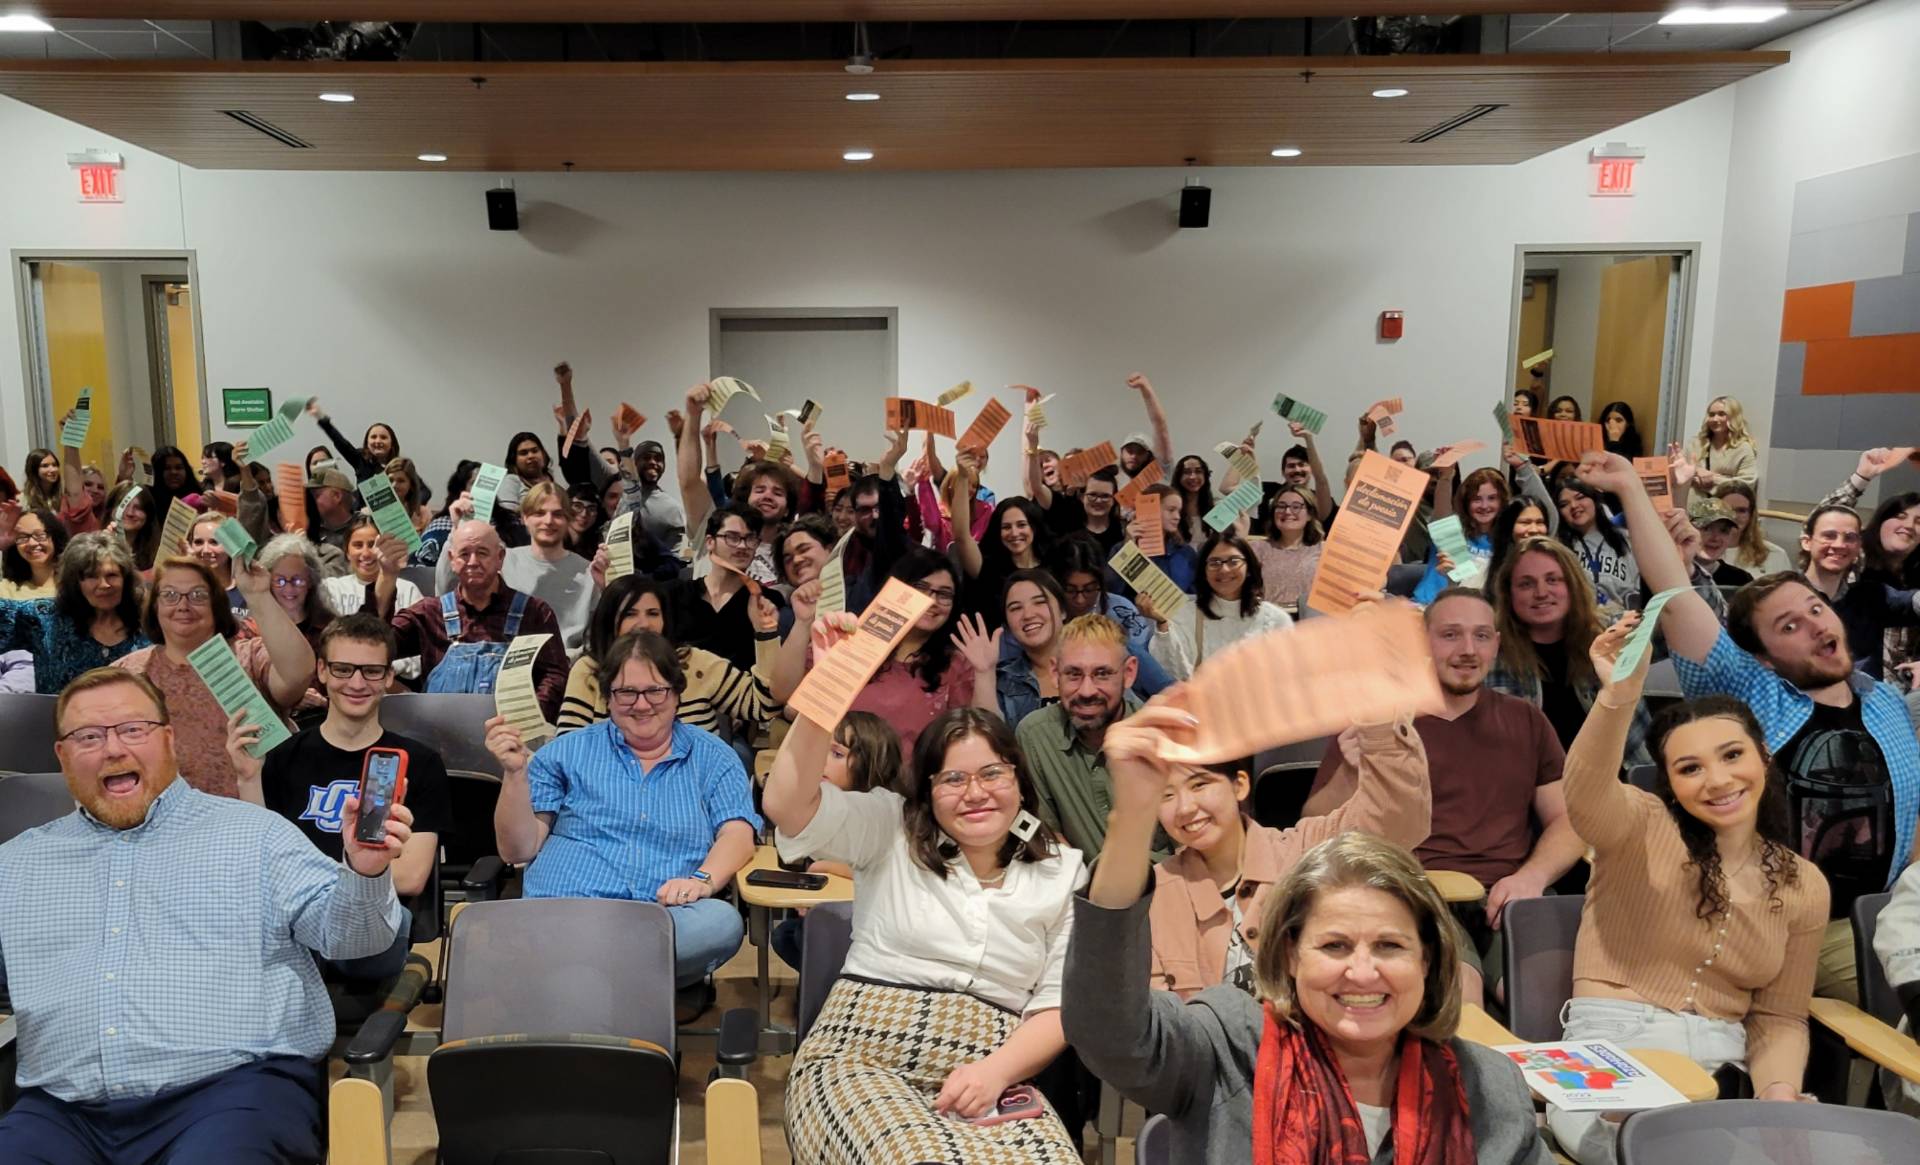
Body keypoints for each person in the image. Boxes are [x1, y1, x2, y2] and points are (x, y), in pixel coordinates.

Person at [0, 668, 407, 1163]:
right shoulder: (18, 863)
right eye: (88, 736)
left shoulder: (255, 836)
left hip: (230, 1095)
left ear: (168, 739)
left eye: (133, 730)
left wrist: (363, 872)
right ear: (63, 756)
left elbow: (354, 939)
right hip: (62, 1110)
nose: (112, 750)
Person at [1580, 449, 1920, 1006]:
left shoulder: (1885, 702)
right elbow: (1673, 595)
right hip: (1787, 925)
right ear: (1761, 657)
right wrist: (1629, 488)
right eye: (1789, 625)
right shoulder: (1752, 694)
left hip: (1886, 912)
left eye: (1814, 610)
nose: (1814, 626)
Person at [1069, 809, 1551, 1165]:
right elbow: (1109, 1029)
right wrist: (1134, 813)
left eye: (1389, 946)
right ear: (1291, 955)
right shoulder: (1228, 1048)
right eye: (1335, 946)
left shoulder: (1489, 1087)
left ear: (1427, 958)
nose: (1363, 973)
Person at [1547, 618, 1828, 1163]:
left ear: (1762, 758)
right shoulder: (1640, 823)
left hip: (1724, 1067)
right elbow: (1584, 792)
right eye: (1690, 768)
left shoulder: (1803, 883)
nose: (1718, 781)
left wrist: (1780, 1098)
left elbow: (1780, 1018)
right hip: (1610, 1050)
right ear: (1671, 783)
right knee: (1655, 1148)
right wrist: (1618, 695)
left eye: (1731, 756)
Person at [767, 699, 1088, 1164]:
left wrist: (995, 1072)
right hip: (860, 1055)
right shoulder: (889, 828)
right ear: (928, 788)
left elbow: (1059, 1005)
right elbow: (787, 805)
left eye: (992, 773)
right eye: (953, 779)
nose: (975, 793)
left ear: (1019, 778)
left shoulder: (1063, 873)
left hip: (992, 1068)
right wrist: (828, 690)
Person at [1306, 588, 1582, 1007]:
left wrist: (1533, 877)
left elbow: (1569, 820)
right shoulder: (1380, 718)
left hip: (1506, 897)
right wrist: (1349, 769)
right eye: (1450, 635)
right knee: (1462, 997)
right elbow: (1313, 825)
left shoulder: (1526, 718)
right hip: (1415, 894)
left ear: (1497, 644)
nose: (1468, 650)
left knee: (1548, 1005)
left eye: (1481, 636)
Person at [490, 629, 758, 992]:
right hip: (568, 912)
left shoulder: (714, 757)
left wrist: (700, 881)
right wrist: (514, 774)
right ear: (608, 698)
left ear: (677, 693)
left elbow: (738, 835)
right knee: (543, 935)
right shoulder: (565, 752)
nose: (642, 704)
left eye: (655, 690)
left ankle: (586, 977)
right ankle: (620, 986)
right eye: (627, 692)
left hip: (661, 917)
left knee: (721, 923)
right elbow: (517, 850)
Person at [227, 613, 453, 984]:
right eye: (344, 669)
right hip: (297, 916)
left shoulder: (421, 764)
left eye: (372, 671)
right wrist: (247, 778)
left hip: (377, 918)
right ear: (323, 671)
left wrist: (332, 884)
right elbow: (259, 863)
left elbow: (411, 877)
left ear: (389, 677)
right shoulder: (282, 758)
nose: (357, 683)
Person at [1139, 713, 1432, 999]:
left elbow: (1397, 820)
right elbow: (1159, 1022)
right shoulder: (1154, 894)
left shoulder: (1304, 851)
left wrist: (1378, 721)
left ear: (1239, 785)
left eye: (1199, 784)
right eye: (1166, 795)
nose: (1185, 807)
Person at [113, 555, 314, 798]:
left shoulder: (248, 656)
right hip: (157, 820)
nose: (183, 605)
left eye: (198, 595)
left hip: (250, 814)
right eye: (169, 595)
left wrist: (258, 595)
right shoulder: (129, 672)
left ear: (217, 605)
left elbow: (298, 675)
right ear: (154, 606)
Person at [774, 548, 996, 753]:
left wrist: (985, 673)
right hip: (832, 784)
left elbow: (984, 736)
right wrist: (803, 622)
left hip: (908, 791)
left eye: (944, 594)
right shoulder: (850, 640)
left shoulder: (954, 664)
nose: (932, 601)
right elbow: (782, 693)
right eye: (920, 588)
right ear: (896, 590)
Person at [1485, 537, 1648, 763]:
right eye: (1526, 584)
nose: (1541, 592)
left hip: (1617, 785)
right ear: (1509, 594)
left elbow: (1637, 745)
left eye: (1552, 580)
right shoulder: (1492, 655)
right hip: (1530, 790)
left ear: (1572, 585)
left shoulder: (1611, 637)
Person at [388, 520, 569, 722]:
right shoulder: (430, 613)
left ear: (500, 557)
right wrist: (386, 578)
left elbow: (555, 676)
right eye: (464, 553)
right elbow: (378, 645)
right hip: (440, 741)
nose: (473, 561)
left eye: (482, 553)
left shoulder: (534, 613)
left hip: (511, 740)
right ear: (452, 559)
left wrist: (527, 722)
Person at [559, 575, 777, 742]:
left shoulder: (694, 663)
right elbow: (568, 747)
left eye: (653, 613)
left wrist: (765, 632)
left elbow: (763, 706)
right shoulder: (588, 670)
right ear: (610, 620)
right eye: (630, 614)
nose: (644, 624)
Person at [1015, 612, 1159, 858]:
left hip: (1166, 887)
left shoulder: (1161, 737)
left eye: (1102, 674)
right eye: (1073, 674)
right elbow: (1043, 832)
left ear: (1129, 673)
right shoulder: (1035, 736)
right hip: (1079, 888)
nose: (1087, 690)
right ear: (1054, 672)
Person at [768, 710, 902, 971]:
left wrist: (828, 869)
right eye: (821, 752)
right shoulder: (819, 813)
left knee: (804, 933)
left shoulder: (881, 815)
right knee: (786, 935)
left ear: (869, 763)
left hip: (874, 929)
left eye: (837, 754)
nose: (821, 762)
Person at [437, 481, 598, 659]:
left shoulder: (589, 571)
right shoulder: (501, 560)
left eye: (557, 514)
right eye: (539, 513)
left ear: (567, 519)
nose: (548, 521)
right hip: (502, 663)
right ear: (524, 518)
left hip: (567, 666)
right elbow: (447, 590)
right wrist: (457, 530)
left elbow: (595, 639)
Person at [0, 533, 149, 694]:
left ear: (125, 578)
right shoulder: (42, 618)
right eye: (91, 576)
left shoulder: (149, 621)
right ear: (74, 582)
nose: (104, 584)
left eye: (112, 575)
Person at [1145, 530, 1293, 682]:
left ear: (1249, 568)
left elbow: (1287, 678)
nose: (1224, 569)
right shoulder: (1185, 615)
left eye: (1233, 561)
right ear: (1204, 571)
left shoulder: (1276, 619)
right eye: (1214, 563)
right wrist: (1163, 624)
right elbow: (1173, 675)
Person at [1414, 461, 1553, 605]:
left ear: (1502, 501)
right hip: (1425, 606)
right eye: (1477, 499)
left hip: (1471, 611)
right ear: (1466, 503)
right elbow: (1441, 511)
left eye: (1492, 498)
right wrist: (1446, 477)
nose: (1484, 506)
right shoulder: (1452, 530)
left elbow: (1547, 515)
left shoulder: (1508, 541)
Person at [322, 514, 423, 683]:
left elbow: (420, 651)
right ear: (347, 552)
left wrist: (384, 669)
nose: (366, 553)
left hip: (397, 683)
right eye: (357, 545)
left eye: (372, 545)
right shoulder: (331, 588)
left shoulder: (409, 590)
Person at [953, 465, 1053, 629]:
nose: (1014, 533)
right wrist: (963, 477)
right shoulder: (987, 567)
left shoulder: (1052, 565)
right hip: (998, 651)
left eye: (1021, 525)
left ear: (1033, 527)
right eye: (1006, 527)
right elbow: (961, 536)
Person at [996, 568, 1066, 726]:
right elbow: (990, 740)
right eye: (1015, 608)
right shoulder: (1002, 681)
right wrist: (983, 673)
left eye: (1040, 602)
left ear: (1062, 610)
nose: (1028, 615)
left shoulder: (1097, 664)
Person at [1555, 479, 1637, 609]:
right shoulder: (1559, 548)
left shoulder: (1626, 539)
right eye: (1564, 504)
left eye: (1580, 497)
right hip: (1580, 623)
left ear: (1594, 500)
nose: (1574, 506)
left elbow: (1637, 593)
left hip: (1624, 623)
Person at [1249, 484, 1323, 612]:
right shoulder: (1257, 548)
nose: (1287, 512)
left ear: (1310, 514)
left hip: (1312, 624)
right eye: (1281, 506)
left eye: (1296, 507)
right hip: (1271, 622)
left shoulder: (1324, 550)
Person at [307, 399, 400, 483]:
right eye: (373, 437)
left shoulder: (401, 466)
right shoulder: (360, 460)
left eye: (383, 437)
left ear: (392, 443)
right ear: (367, 443)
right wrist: (321, 417)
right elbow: (341, 443)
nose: (378, 441)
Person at [1717, 481, 1794, 576]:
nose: (1734, 516)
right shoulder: (1699, 553)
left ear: (1751, 515)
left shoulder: (1775, 555)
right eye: (1726, 509)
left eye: (1741, 510)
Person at [413, 459, 478, 568]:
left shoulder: (507, 523)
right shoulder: (440, 528)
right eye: (474, 483)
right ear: (461, 489)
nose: (480, 489)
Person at [1686, 396, 1758, 491]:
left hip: (1724, 505)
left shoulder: (1743, 449)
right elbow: (1680, 473)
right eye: (1711, 415)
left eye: (1721, 414)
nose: (1715, 419)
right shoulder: (1695, 444)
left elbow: (1746, 484)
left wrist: (1713, 479)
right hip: (1692, 504)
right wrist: (1698, 471)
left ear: (1734, 417)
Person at [0, 509, 67, 600]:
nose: (32, 543)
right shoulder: (7, 589)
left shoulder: (76, 585)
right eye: (22, 537)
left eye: (39, 535)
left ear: (55, 537)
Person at [1690, 495, 1753, 588]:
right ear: (1689, 530)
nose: (1715, 538)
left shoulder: (1741, 580)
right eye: (1706, 528)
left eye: (1724, 531)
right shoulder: (1669, 576)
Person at [1487, 497, 1553, 577]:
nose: (1534, 530)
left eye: (1539, 522)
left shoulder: (1558, 563)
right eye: (1525, 522)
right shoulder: (1499, 569)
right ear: (1509, 527)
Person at [102, 481, 160, 572]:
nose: (130, 513)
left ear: (148, 515)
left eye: (138, 508)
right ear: (111, 509)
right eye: (123, 506)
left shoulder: (157, 554)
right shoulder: (97, 547)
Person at [1171, 454, 1216, 546]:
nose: (1192, 477)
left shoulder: (1215, 506)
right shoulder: (1169, 508)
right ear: (1178, 477)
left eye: (1198, 471)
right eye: (1187, 472)